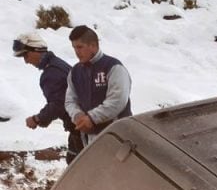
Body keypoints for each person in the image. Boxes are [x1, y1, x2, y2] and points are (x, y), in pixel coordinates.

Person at [13, 32, 84, 164]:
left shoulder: (51, 73)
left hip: (81, 129)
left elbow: (58, 104)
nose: (26, 61)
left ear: (36, 50)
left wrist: (37, 119)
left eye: (26, 55)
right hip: (81, 126)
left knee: (79, 167)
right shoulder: (58, 64)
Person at [65, 25, 131, 145]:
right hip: (90, 140)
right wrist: (78, 116)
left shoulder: (113, 67)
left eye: (80, 47)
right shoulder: (75, 72)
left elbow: (118, 100)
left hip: (118, 137)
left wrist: (92, 118)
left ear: (93, 45)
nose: (77, 52)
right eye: (74, 47)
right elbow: (70, 101)